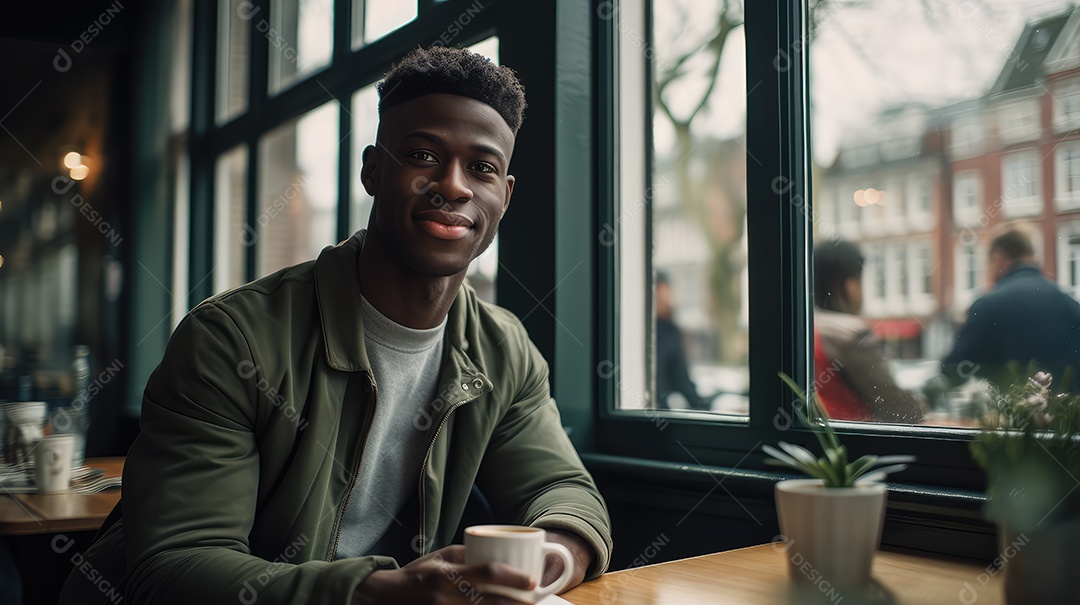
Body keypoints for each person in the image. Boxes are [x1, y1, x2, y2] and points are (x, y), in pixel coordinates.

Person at [59, 46, 611, 605]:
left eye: (482, 168)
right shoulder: (231, 339)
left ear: (504, 196)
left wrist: (551, 559)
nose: (454, 185)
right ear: (372, 170)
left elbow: (561, 489)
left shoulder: (502, 348)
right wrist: (384, 593)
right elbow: (175, 570)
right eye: (422, 155)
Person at [941, 229, 1080, 392]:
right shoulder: (1071, 304)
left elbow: (954, 368)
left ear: (997, 257)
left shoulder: (988, 305)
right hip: (1068, 414)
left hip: (1012, 414)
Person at [812, 239, 925, 423]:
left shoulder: (804, 328)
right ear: (850, 284)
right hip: (855, 443)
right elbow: (899, 408)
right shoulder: (851, 335)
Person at [654, 273, 711, 410]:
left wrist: (704, 406)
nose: (664, 300)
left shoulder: (669, 331)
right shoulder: (663, 332)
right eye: (659, 294)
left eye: (665, 294)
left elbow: (681, 378)